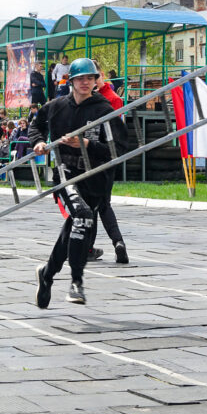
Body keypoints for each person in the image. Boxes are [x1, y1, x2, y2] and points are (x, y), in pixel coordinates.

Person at [29, 57, 127, 309]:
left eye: (90, 78)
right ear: (71, 81)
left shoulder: (104, 110)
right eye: (80, 78)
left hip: (95, 180)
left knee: (74, 228)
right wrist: (39, 142)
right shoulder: (56, 106)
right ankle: (76, 282)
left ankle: (47, 274)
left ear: (96, 81)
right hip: (66, 173)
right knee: (82, 218)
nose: (85, 83)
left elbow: (120, 148)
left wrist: (87, 144)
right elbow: (35, 126)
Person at [86, 60, 129, 264]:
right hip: (94, 156)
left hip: (101, 153)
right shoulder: (88, 97)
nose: (90, 81)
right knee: (101, 204)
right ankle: (117, 242)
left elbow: (115, 128)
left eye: (93, 76)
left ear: (100, 75)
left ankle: (89, 247)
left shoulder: (110, 98)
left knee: (96, 204)